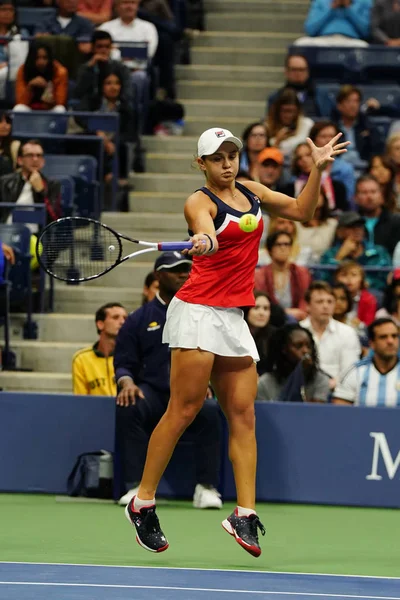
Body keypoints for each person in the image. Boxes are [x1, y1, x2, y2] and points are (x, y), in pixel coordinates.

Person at [124, 125, 348, 556]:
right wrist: (204, 239)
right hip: (197, 312)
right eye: (218, 157)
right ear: (201, 163)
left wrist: (318, 170)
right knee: (185, 409)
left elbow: (303, 211)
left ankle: (244, 513)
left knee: (243, 415)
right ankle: (142, 501)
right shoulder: (198, 202)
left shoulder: (250, 189)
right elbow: (203, 227)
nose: (228, 163)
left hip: (232, 315)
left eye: (232, 154)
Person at [115, 251, 222, 509]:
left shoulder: (202, 313)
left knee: (210, 410)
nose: (184, 274)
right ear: (159, 276)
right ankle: (136, 487)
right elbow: (123, 362)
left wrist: (207, 383)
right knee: (130, 405)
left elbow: (214, 355)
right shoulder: (137, 319)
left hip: (190, 391)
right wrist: (127, 383)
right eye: (176, 270)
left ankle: (206, 488)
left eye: (186, 269)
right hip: (153, 392)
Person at [300, 281, 361, 388]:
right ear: (308, 306)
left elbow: (350, 371)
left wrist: (328, 385)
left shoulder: (347, 333)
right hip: (302, 388)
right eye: (320, 302)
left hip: (337, 391)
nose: (325, 306)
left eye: (330, 302)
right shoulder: (298, 331)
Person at [333, 318, 400, 406]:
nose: (390, 341)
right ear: (372, 343)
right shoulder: (355, 372)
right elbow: (339, 413)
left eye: (394, 336)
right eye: (383, 337)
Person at [257, 324, 330, 403]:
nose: (305, 351)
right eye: (298, 346)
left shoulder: (320, 380)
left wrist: (302, 373)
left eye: (308, 346)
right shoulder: (265, 382)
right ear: (284, 349)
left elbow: (314, 413)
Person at [319, 211, 391, 291]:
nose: (357, 230)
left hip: (373, 294)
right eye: (351, 226)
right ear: (340, 232)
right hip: (339, 295)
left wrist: (367, 283)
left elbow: (387, 279)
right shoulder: (330, 254)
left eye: (360, 226)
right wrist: (339, 257)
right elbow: (322, 281)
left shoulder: (378, 252)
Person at [0, 139, 61, 230]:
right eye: (30, 155)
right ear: (20, 160)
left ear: (43, 161)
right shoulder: (5, 182)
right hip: (6, 233)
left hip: (37, 236)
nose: (35, 159)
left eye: (39, 155)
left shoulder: (52, 185)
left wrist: (41, 191)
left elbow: (54, 220)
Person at [254, 231, 312, 321]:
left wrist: (300, 313)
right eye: (278, 244)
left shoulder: (302, 273)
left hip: (298, 319)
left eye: (287, 244)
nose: (283, 248)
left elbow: (305, 299)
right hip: (269, 319)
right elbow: (261, 301)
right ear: (270, 250)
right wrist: (284, 313)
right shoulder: (259, 275)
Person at [72, 302, 127, 395]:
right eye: (115, 317)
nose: (122, 322)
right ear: (100, 324)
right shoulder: (81, 359)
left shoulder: (131, 355)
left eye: (125, 318)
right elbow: (80, 400)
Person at [281, 142, 348, 212]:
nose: (304, 160)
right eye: (299, 158)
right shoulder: (289, 189)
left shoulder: (338, 187)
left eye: (308, 155)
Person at [73, 30, 134, 107]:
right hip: (90, 107)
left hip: (116, 107)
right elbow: (78, 93)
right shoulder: (85, 67)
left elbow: (128, 93)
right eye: (99, 46)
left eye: (107, 47)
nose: (103, 50)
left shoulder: (121, 68)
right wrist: (90, 67)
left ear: (111, 47)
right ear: (92, 48)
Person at [267, 54, 332, 118]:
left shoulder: (322, 95)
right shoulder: (276, 97)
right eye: (294, 70)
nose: (298, 73)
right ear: (286, 72)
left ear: (308, 72)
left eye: (302, 70)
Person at [309, 120, 356, 205]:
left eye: (331, 136)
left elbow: (349, 198)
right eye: (323, 136)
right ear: (314, 140)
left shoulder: (345, 168)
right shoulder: (305, 164)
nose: (328, 140)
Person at [332, 85, 381, 165]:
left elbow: (377, 150)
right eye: (348, 101)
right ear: (339, 106)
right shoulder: (332, 127)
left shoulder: (368, 126)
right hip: (338, 167)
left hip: (364, 168)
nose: (353, 105)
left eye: (356, 101)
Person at [14, 41, 68, 112]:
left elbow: (60, 102)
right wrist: (30, 86)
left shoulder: (60, 72)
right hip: (30, 109)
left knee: (60, 109)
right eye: (37, 58)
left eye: (44, 58)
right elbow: (20, 101)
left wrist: (48, 91)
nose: (41, 62)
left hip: (50, 109)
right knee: (18, 109)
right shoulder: (23, 70)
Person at [355, 174, 400, 257]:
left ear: (381, 195)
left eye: (373, 192)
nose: (369, 197)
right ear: (355, 197)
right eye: (364, 192)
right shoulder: (351, 223)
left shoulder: (396, 222)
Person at [294, 0, 371, 47]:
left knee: (365, 47)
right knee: (300, 44)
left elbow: (366, 31)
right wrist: (331, 9)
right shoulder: (320, 2)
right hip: (323, 40)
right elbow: (310, 29)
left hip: (352, 41)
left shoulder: (364, 2)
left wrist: (348, 8)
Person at [267, 88, 314, 160]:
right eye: (284, 111)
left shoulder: (307, 124)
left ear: (298, 110)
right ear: (277, 110)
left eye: (292, 111)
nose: (288, 115)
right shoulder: (267, 126)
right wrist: (277, 141)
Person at [334, 260, 377, 326]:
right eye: (344, 275)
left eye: (354, 275)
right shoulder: (330, 296)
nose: (349, 279)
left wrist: (359, 325)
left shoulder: (369, 299)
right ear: (336, 278)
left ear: (362, 279)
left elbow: (369, 325)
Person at [243, 291, 276, 376]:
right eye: (256, 308)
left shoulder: (275, 335)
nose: (261, 313)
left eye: (266, 308)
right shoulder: (237, 335)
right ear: (247, 310)